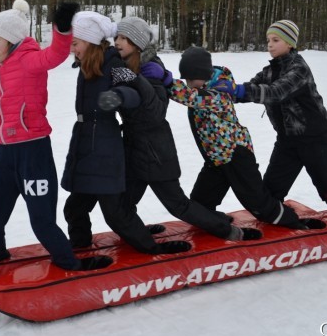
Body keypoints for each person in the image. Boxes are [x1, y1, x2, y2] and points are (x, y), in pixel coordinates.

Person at [0, 0, 111, 271]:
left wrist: (62, 29)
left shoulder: (29, 59)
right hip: (5, 153)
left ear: (12, 39)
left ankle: (69, 263)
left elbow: (55, 55)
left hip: (33, 152)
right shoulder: (4, 64)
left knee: (41, 220)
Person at [107, 17, 260, 241]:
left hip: (156, 153)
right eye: (116, 37)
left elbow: (156, 111)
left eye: (123, 37)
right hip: (134, 147)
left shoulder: (151, 69)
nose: (117, 42)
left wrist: (141, 81)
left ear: (137, 42)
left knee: (177, 205)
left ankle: (226, 230)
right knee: (123, 204)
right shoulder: (126, 65)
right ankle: (138, 239)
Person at [214, 20, 327, 220]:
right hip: (287, 141)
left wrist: (239, 90)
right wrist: (222, 90)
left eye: (276, 40)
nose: (270, 45)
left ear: (290, 43)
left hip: (314, 139)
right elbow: (250, 89)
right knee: (271, 191)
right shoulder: (269, 71)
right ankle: (277, 221)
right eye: (268, 40)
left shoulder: (299, 69)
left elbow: (276, 92)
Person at [144, 46, 318, 229]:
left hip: (236, 155)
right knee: (200, 203)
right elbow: (189, 93)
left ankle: (294, 223)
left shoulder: (219, 90)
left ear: (203, 74)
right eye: (186, 79)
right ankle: (217, 224)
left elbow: (192, 97)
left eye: (191, 79)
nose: (189, 84)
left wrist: (167, 79)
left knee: (258, 203)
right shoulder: (201, 85)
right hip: (216, 158)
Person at [61, 11, 191, 254]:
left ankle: (151, 249)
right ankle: (80, 248)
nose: (72, 49)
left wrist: (119, 96)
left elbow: (133, 90)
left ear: (89, 41)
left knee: (115, 213)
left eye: (75, 44)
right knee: (75, 207)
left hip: (104, 147)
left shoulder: (112, 63)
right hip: (85, 144)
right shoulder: (87, 62)